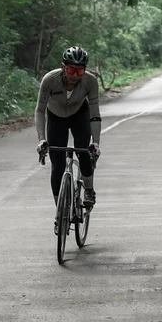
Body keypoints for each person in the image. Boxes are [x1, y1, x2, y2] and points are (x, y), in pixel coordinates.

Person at [34, 46, 101, 219]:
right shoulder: (50, 80)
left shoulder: (90, 82)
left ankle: (88, 190)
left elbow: (94, 114)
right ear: (63, 67)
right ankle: (60, 211)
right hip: (55, 117)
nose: (75, 76)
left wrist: (96, 143)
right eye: (71, 70)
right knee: (57, 165)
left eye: (80, 71)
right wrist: (41, 140)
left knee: (84, 151)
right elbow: (40, 111)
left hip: (80, 114)